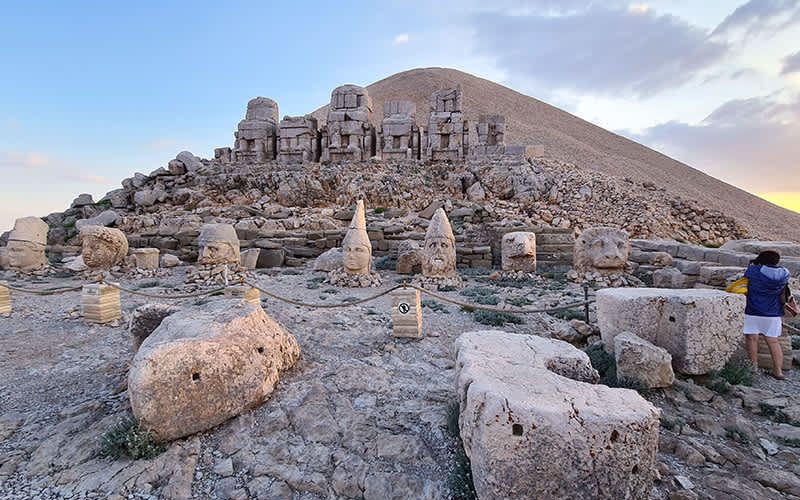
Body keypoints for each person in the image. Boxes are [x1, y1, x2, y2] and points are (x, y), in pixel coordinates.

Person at [743, 250, 791, 379]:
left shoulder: (753, 270)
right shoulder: (785, 273)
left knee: (752, 339)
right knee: (774, 342)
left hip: (753, 310)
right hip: (773, 313)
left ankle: (753, 368)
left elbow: (744, 282)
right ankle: (778, 371)